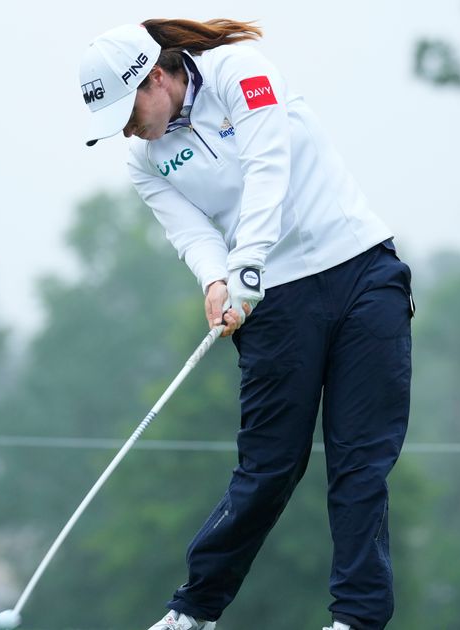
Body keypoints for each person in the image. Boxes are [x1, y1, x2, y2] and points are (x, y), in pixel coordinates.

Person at [78, 19, 414, 630]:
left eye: (127, 114)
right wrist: (216, 281)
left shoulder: (242, 68)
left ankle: (357, 620)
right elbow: (193, 234)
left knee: (361, 461)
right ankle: (195, 611)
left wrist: (247, 262)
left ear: (154, 76)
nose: (127, 131)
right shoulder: (143, 160)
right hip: (275, 303)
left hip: (361, 270)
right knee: (268, 467)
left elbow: (268, 162)